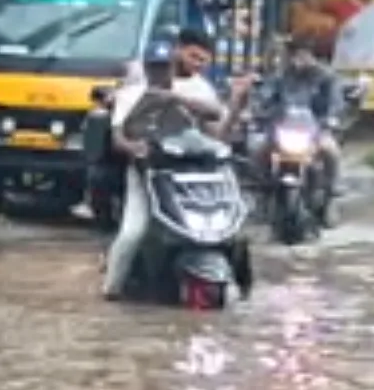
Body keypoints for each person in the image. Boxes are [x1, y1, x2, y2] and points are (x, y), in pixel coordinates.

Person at [100, 29, 252, 300]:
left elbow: (216, 131)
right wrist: (135, 148)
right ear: (146, 68)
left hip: (193, 175)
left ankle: (243, 287)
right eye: (153, 68)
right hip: (148, 174)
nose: (159, 74)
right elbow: (118, 137)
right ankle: (111, 290)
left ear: (172, 64)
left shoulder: (197, 89)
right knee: (132, 233)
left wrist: (237, 103)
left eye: (163, 68)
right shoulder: (132, 94)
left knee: (235, 229)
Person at [258, 35, 345, 207]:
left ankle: (331, 191)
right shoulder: (280, 76)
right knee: (259, 150)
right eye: (296, 55)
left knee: (331, 151)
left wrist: (332, 118)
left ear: (313, 56)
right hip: (282, 129)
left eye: (305, 54)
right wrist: (258, 109)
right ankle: (265, 190)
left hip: (315, 130)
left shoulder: (327, 77)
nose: (300, 59)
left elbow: (336, 102)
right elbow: (265, 95)